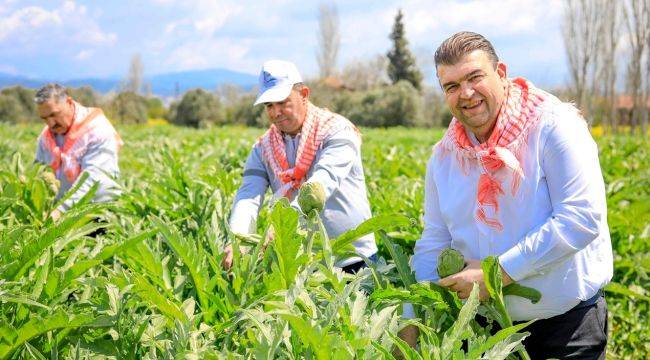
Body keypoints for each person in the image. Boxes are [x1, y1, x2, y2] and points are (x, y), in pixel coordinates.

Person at [400, 32, 612, 359]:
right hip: (485, 333)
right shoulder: (443, 157)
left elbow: (580, 219)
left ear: (501, 74)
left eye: (475, 77)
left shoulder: (553, 126)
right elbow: (435, 239)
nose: (466, 93)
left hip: (565, 327)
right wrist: (413, 317)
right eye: (452, 86)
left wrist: (497, 275)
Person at [223, 60, 378, 273]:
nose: (276, 112)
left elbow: (323, 182)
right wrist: (237, 237)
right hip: (302, 266)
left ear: (304, 94)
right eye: (269, 105)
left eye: (283, 102)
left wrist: (284, 224)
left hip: (353, 260)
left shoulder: (337, 131)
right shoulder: (262, 148)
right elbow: (248, 195)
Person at [34, 83, 122, 221]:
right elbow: (38, 173)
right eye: (44, 118)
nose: (51, 124)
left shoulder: (97, 129)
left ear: (69, 102)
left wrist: (60, 211)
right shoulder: (45, 138)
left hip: (100, 213)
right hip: (64, 215)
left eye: (54, 114)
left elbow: (93, 179)